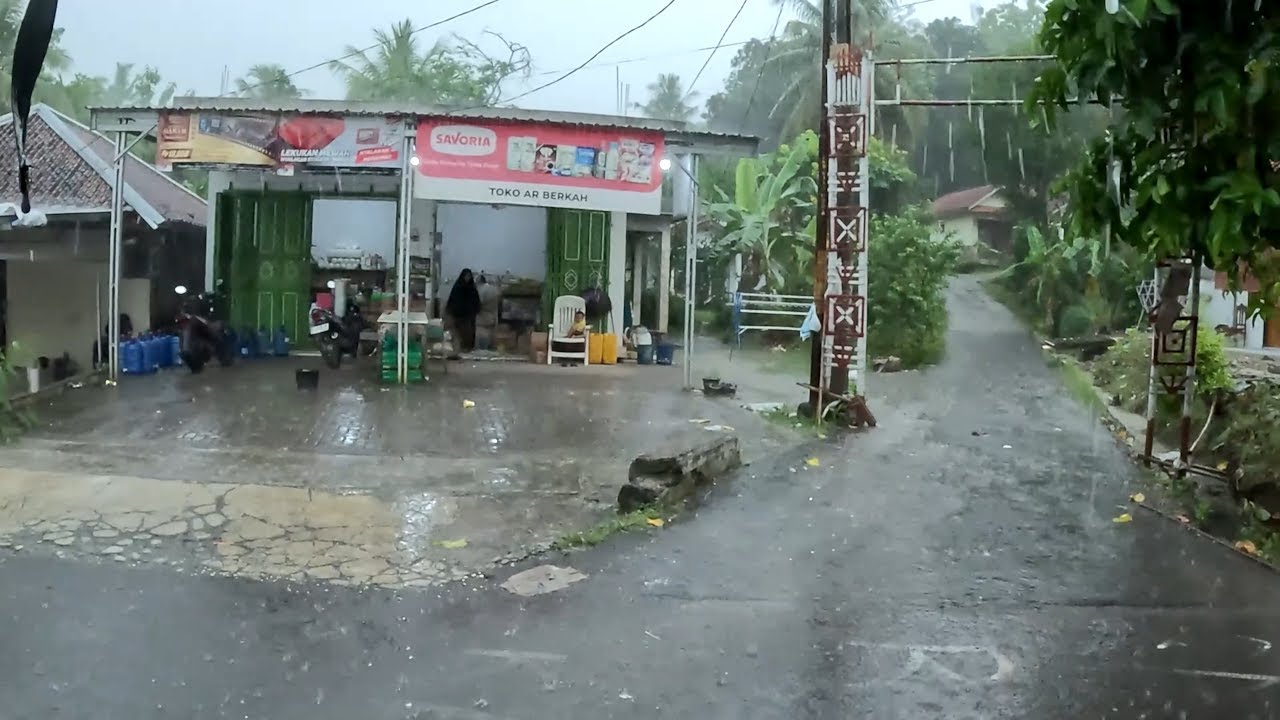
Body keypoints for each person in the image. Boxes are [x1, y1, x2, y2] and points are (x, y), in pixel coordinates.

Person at [445, 268, 481, 352]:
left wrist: (475, 310)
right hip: (458, 315)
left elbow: (476, 301)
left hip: (469, 316)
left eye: (469, 276)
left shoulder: (472, 288)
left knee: (468, 332)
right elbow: (452, 300)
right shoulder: (458, 287)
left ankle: (468, 348)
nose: (467, 278)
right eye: (466, 276)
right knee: (458, 333)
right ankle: (458, 348)